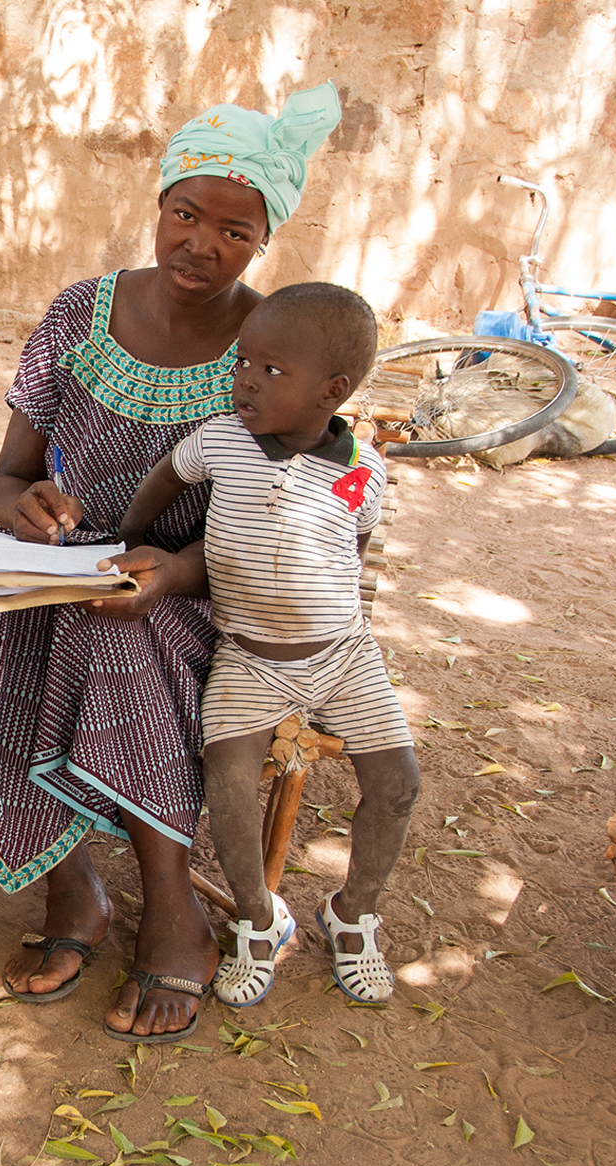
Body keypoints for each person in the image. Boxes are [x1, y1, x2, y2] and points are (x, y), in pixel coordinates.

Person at [0, 83, 342, 1043]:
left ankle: (173, 914)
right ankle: (72, 895)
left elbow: (311, 518)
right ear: (157, 207)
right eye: (186, 214)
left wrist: (180, 571)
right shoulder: (80, 313)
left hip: (210, 591)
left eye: (234, 231)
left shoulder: (276, 340)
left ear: (263, 241)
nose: (202, 243)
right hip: (65, 567)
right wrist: (22, 512)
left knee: (121, 632)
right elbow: (8, 476)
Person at [116, 282, 420, 1006]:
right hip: (249, 655)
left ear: (332, 391)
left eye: (273, 369)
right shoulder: (223, 439)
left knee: (399, 782)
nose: (246, 377)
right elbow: (167, 476)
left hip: (344, 656)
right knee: (225, 783)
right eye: (244, 360)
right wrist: (134, 537)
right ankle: (258, 919)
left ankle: (355, 913)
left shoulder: (358, 470)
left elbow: (355, 537)